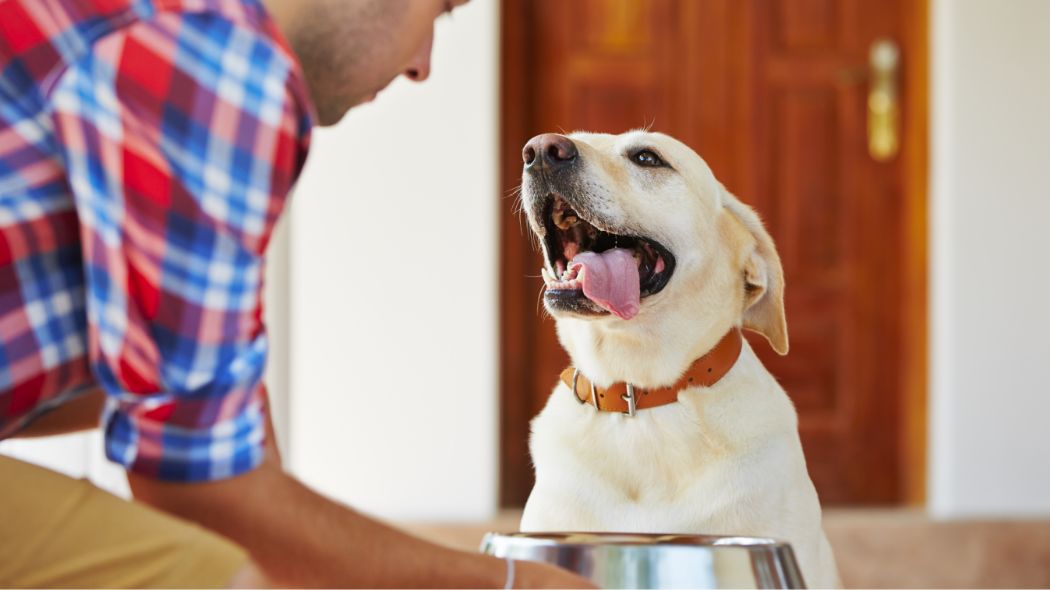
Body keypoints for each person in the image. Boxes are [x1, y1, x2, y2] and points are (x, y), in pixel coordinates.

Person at [0, 0, 592, 587]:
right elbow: (197, 494)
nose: (422, 65)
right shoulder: (216, 57)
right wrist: (513, 583)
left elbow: (190, 413)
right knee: (214, 578)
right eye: (439, 12)